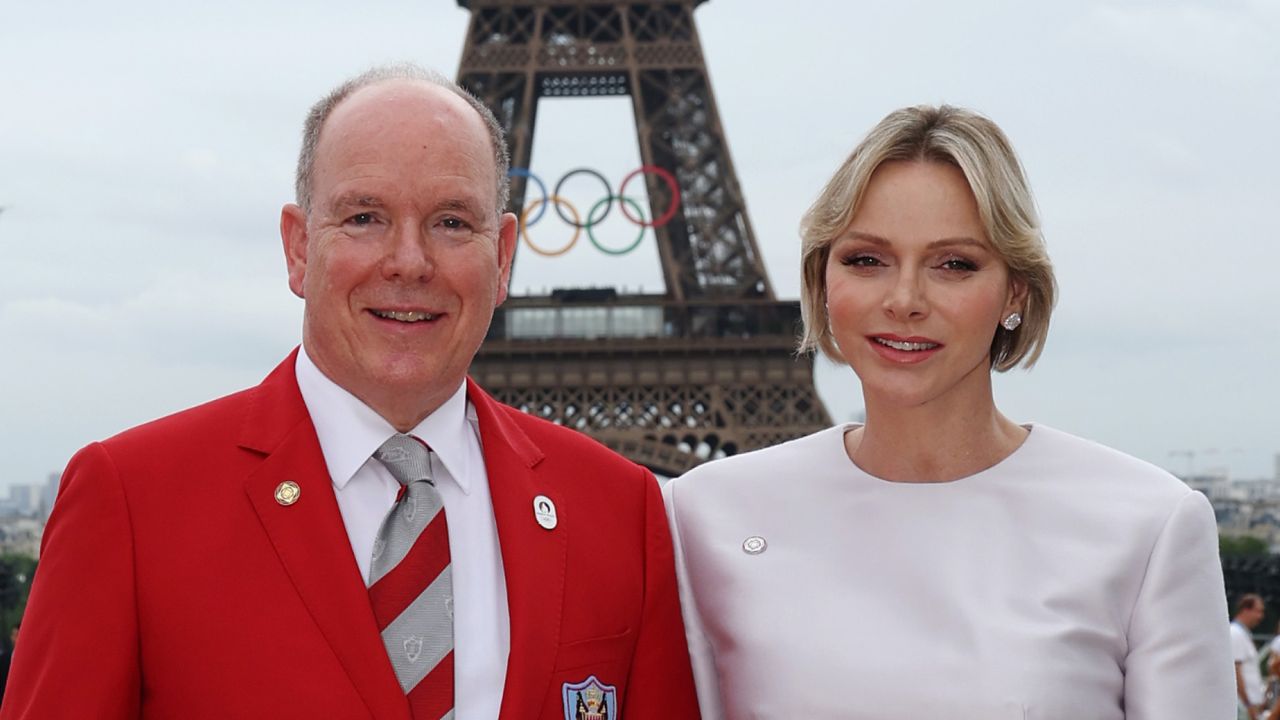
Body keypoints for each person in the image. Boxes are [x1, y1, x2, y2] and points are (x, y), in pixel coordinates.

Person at [2, 64, 699, 720]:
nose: (409, 262)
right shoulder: (131, 502)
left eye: (452, 222)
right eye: (364, 217)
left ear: (504, 255)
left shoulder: (619, 512)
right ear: (299, 248)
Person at [663, 104, 1233, 718]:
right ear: (822, 280)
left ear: (1016, 290)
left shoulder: (1149, 527)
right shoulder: (702, 514)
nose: (904, 299)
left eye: (954, 264)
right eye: (866, 260)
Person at [1233, 594, 1267, 719]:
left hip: (1249, 705)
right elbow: (1236, 671)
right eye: (1258, 611)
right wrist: (1248, 704)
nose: (1261, 616)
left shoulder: (1243, 634)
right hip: (1244, 707)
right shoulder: (1235, 633)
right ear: (1246, 610)